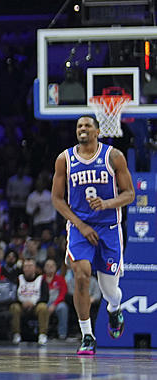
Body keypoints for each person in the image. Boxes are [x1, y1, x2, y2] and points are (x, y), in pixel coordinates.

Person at [51, 114, 134, 356]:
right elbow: (57, 199)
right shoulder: (64, 159)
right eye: (79, 125)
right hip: (79, 227)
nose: (82, 128)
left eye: (87, 125)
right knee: (81, 275)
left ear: (98, 130)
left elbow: (129, 194)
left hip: (108, 228)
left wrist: (107, 204)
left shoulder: (113, 156)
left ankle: (114, 308)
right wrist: (81, 225)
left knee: (110, 290)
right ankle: (87, 335)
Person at [10, 258, 49, 345]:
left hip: (36, 306)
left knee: (43, 307)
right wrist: (22, 303)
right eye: (26, 266)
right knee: (14, 307)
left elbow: (45, 297)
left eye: (30, 266)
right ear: (23, 268)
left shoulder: (41, 280)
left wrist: (33, 303)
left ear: (35, 268)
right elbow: (13, 296)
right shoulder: (18, 280)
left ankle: (42, 335)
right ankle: (16, 334)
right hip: (21, 306)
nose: (28, 269)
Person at [43, 258, 69, 340]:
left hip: (57, 303)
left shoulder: (60, 279)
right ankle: (43, 334)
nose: (50, 267)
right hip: (44, 302)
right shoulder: (41, 279)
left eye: (52, 266)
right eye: (48, 266)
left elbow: (62, 294)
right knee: (42, 308)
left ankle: (62, 334)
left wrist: (54, 304)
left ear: (55, 268)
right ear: (44, 268)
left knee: (63, 308)